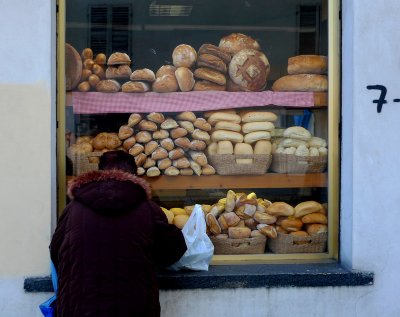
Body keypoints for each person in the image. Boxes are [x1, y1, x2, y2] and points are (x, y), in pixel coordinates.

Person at [50, 150, 187, 317]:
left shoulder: (73, 209)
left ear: (99, 172)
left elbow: (55, 251)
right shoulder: (148, 209)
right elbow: (175, 248)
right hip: (134, 307)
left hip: (80, 307)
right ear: (133, 175)